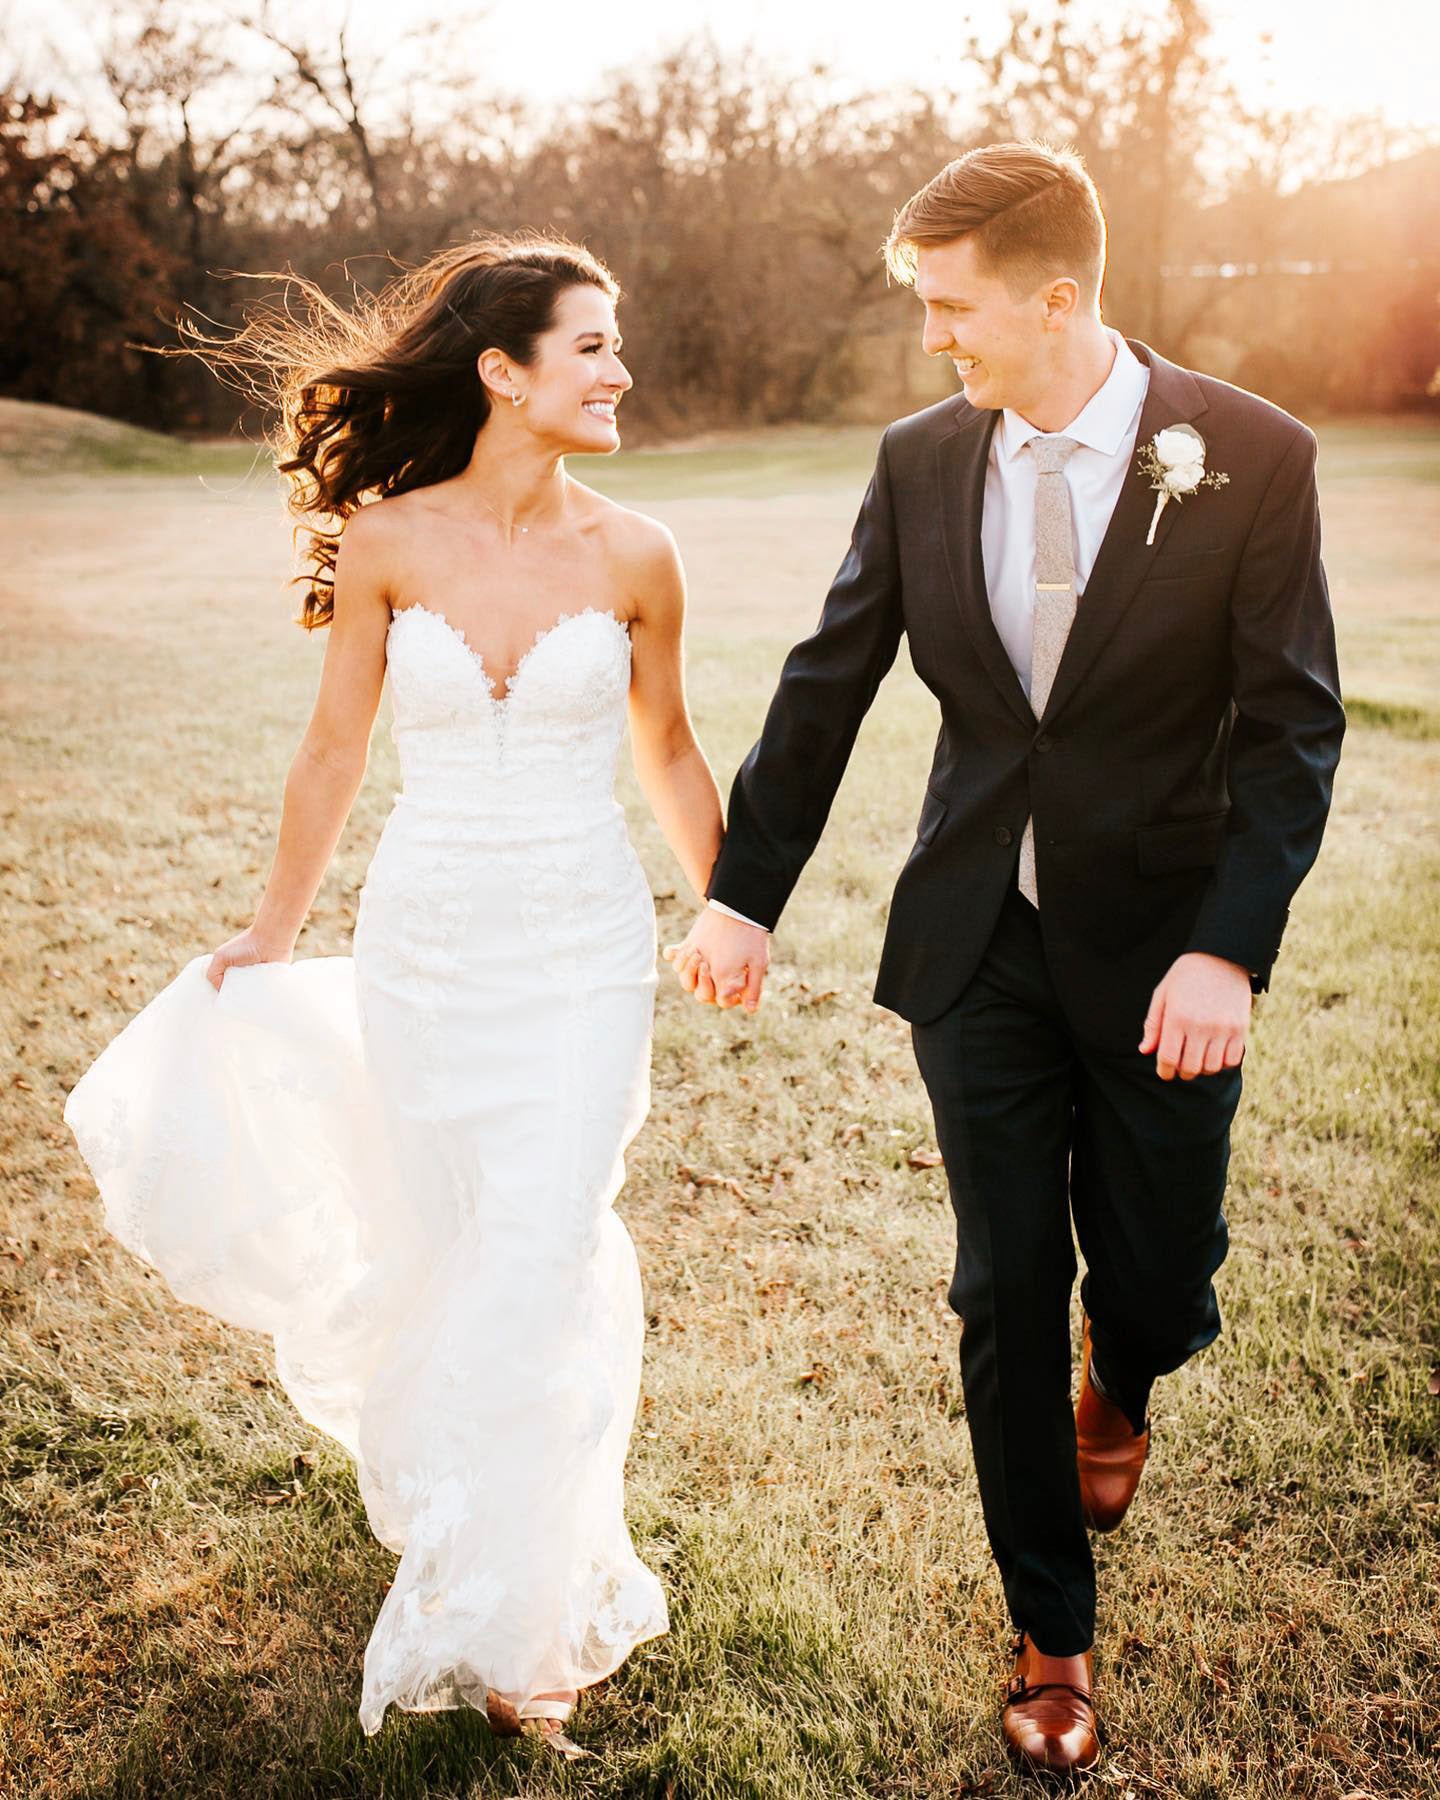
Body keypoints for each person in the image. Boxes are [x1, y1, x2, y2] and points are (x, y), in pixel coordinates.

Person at [666, 141, 1344, 1775]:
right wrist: (743, 892)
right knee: (999, 1285)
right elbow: (830, 681)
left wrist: (1228, 954)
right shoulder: (918, 462)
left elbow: (1293, 726)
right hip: (978, 940)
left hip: (1168, 949)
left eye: (952, 308)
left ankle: (1133, 1371)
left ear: (1057, 300)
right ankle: (1053, 1633)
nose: (933, 341)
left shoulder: (1248, 454)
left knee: (1162, 1273)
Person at [64, 234, 725, 1754]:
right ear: (503, 373)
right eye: (594, 347)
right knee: (453, 1238)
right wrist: (270, 931)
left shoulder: (639, 554)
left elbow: (671, 750)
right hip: (428, 952)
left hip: (578, 952)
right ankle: (463, 1498)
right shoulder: (385, 542)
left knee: (546, 1245)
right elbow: (332, 755)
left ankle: (519, 1625)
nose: (622, 372)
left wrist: (729, 902)